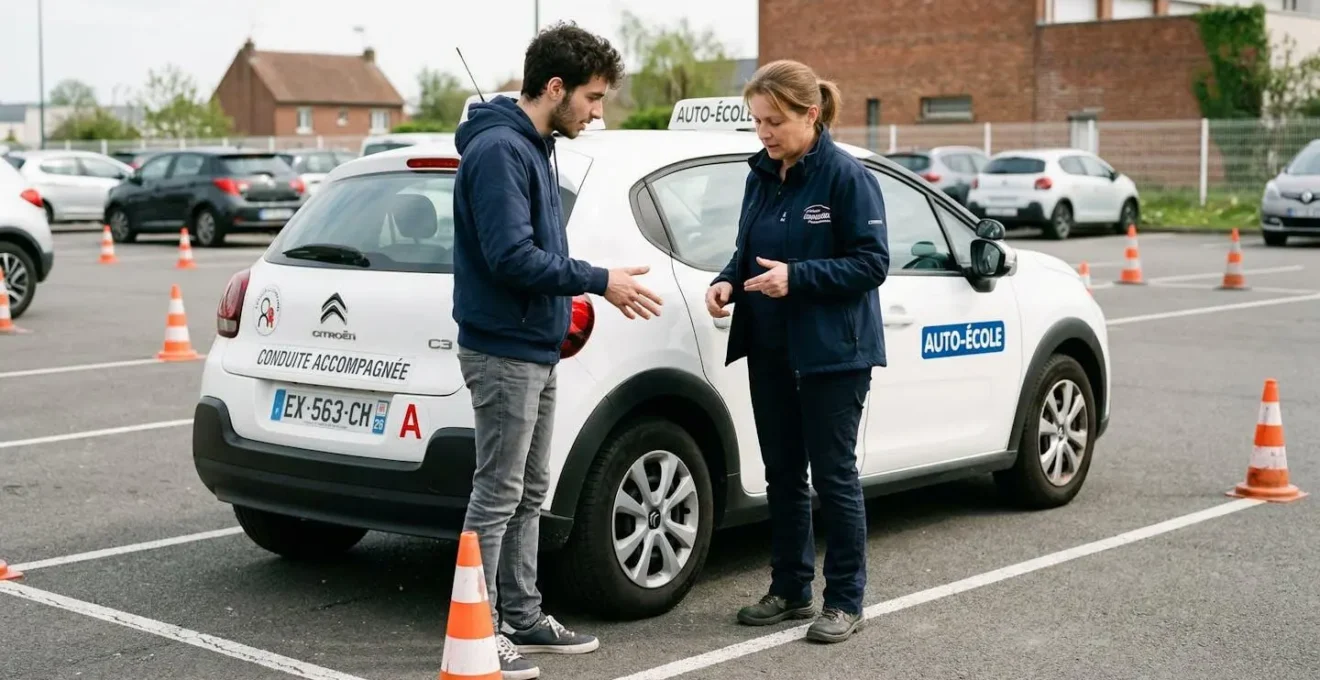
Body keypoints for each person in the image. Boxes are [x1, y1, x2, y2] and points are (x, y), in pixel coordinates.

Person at [450, 21, 663, 680]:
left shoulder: (536, 144)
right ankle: (478, 629)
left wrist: (593, 285)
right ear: (554, 86)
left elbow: (544, 248)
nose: (597, 113)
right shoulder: (499, 153)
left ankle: (523, 613)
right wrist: (601, 280)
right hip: (504, 348)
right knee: (498, 491)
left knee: (529, 489)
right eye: (592, 97)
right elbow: (511, 257)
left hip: (535, 345)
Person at [705, 59, 889, 644]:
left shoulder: (845, 177)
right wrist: (727, 282)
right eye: (757, 121)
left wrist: (799, 278)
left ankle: (845, 601)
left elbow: (872, 263)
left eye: (775, 121)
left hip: (834, 353)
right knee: (783, 472)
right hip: (770, 346)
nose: (764, 132)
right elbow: (745, 250)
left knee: (835, 476)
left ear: (811, 114)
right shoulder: (759, 175)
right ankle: (789, 589)